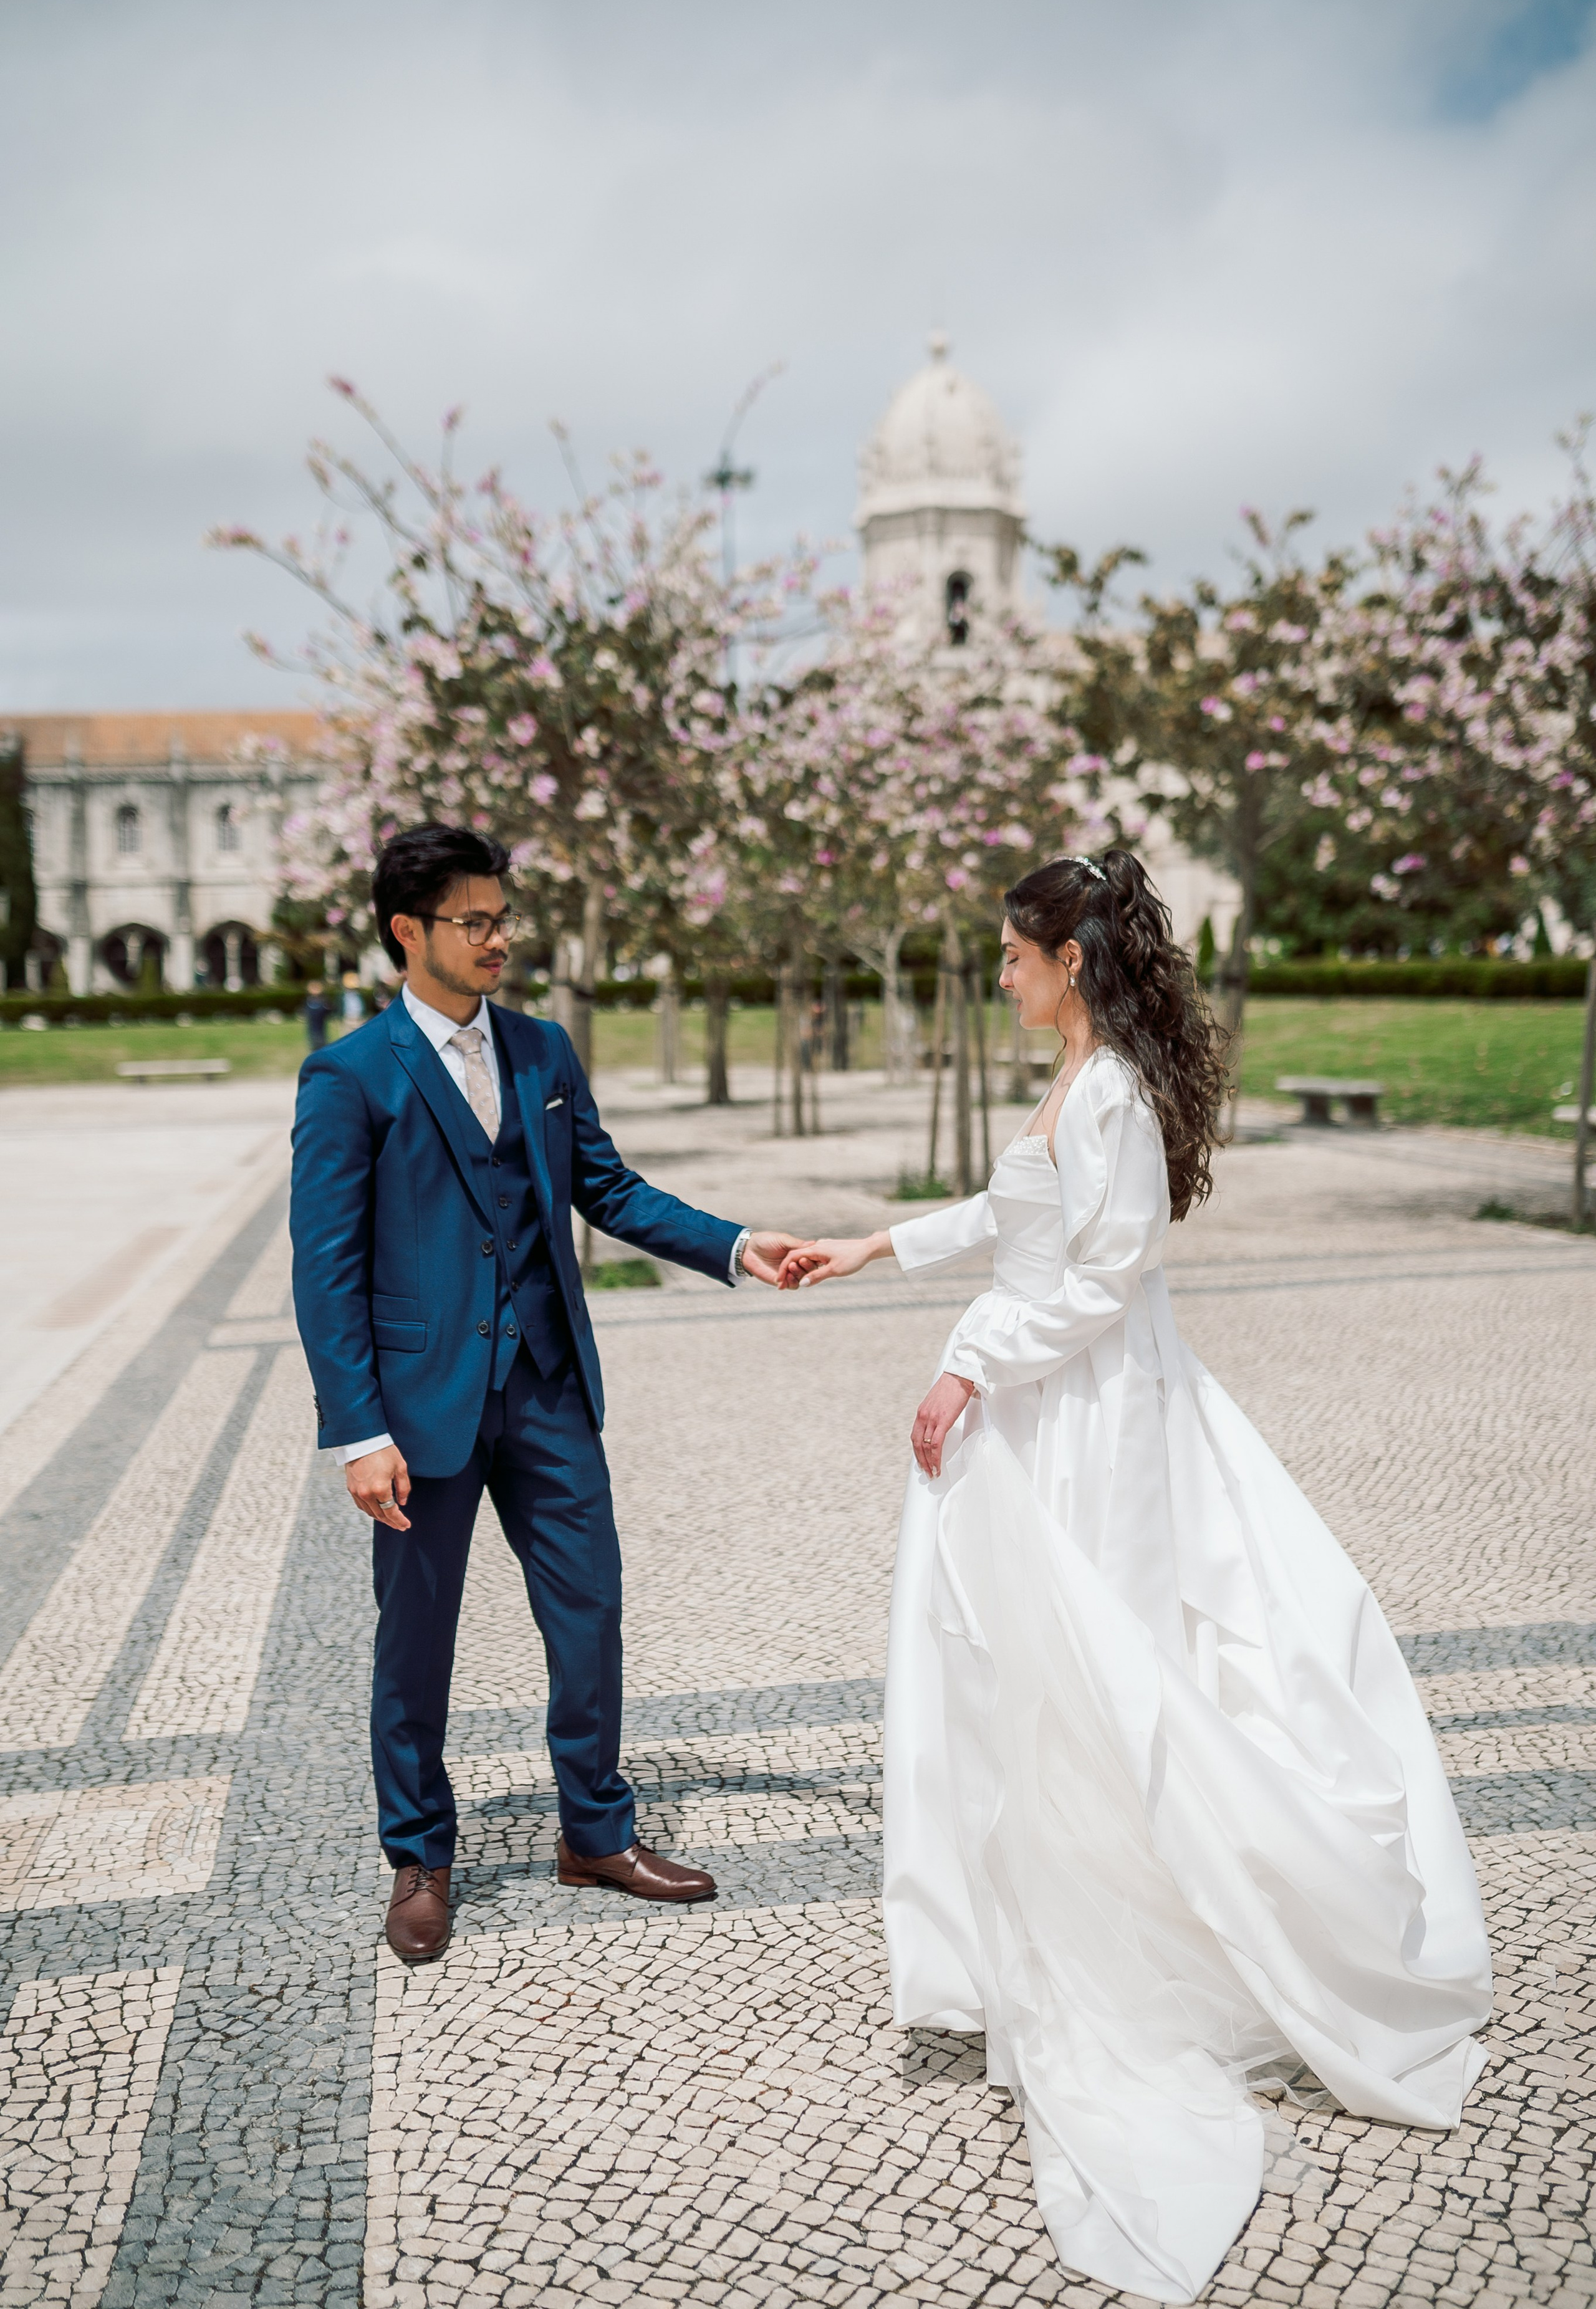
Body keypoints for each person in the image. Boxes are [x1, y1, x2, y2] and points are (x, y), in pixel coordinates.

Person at [778, 850, 1491, 2305]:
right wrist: (867, 1246)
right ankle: (1037, 1907)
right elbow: (1010, 1219)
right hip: (1042, 1404)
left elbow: (1098, 1280)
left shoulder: (1107, 1092)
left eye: (1012, 955)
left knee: (1103, 1664)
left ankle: (1152, 1930)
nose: (999, 973)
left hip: (1086, 1419)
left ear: (1071, 960)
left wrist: (965, 1366)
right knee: (1023, 1673)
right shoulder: (1079, 1078)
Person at [291, 823, 805, 1966]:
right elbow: (324, 1267)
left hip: (548, 1388)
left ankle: (594, 1832)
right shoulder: (349, 1074)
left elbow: (606, 1188)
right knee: (416, 1640)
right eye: (473, 920)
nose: (498, 938)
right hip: (420, 1412)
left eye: (502, 917)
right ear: (406, 932)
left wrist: (731, 1244)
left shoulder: (542, 1051)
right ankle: (420, 1854)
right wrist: (358, 1428)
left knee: (592, 1609)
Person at [303, 977, 329, 1050]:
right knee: (314, 1044)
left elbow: (328, 1010)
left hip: (321, 1027)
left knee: (322, 1043)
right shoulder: (308, 1000)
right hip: (312, 1028)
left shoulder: (323, 1000)